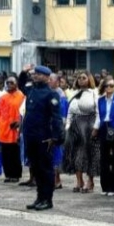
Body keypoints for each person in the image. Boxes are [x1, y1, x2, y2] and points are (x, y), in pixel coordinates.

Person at [23, 66, 65, 211]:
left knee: (45, 169)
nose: (36, 77)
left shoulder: (51, 95)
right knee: (35, 168)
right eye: (35, 74)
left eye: (40, 75)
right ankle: (39, 197)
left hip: (44, 137)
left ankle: (47, 199)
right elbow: (22, 85)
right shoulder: (32, 91)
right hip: (31, 135)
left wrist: (57, 137)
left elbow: (56, 117)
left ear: (47, 77)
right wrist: (24, 72)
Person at [64, 71, 100, 193]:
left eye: (84, 78)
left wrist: (96, 127)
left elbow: (98, 112)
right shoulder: (74, 93)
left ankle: (90, 181)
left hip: (89, 124)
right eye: (79, 78)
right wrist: (67, 126)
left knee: (89, 154)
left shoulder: (95, 93)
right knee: (75, 154)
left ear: (89, 79)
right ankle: (79, 181)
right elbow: (69, 112)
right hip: (75, 124)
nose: (81, 80)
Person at [94, 78, 114, 196]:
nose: (109, 88)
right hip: (104, 129)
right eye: (107, 86)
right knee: (104, 159)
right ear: (103, 87)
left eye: (112, 86)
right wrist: (96, 128)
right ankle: (106, 187)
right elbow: (99, 115)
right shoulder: (100, 100)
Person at [0, 76, 25, 183]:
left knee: (14, 153)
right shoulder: (3, 97)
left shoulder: (21, 96)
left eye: (11, 83)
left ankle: (16, 174)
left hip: (15, 129)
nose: (9, 85)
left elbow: (23, 112)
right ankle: (8, 174)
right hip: (4, 129)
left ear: (16, 84)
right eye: (7, 83)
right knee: (5, 153)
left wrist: (19, 123)